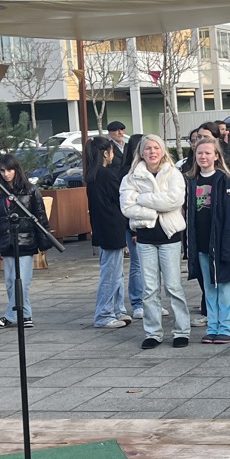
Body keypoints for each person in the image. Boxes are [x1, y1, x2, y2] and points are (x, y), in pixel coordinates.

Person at [120, 133, 191, 349]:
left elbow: (174, 200)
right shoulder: (131, 178)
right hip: (144, 238)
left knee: (173, 286)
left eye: (156, 147)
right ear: (141, 152)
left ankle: (181, 330)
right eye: (148, 148)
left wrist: (142, 198)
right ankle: (153, 332)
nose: (152, 152)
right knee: (149, 288)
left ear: (162, 151)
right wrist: (153, 212)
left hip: (169, 237)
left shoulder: (174, 174)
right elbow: (127, 207)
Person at [186, 135, 230, 345]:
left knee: (224, 287)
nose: (203, 156)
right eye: (199, 153)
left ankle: (227, 327)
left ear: (216, 156)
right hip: (202, 245)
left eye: (207, 153)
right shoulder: (191, 180)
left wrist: (227, 247)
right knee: (209, 288)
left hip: (222, 245)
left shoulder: (224, 180)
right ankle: (212, 326)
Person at [0, 153, 50, 329]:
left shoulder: (31, 190)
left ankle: (10, 316)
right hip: (6, 242)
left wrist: (44, 243)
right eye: (2, 170)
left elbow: (41, 217)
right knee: (10, 282)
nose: (6, 174)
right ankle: (26, 315)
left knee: (21, 281)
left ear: (17, 169)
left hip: (26, 241)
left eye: (10, 170)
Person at [86, 136, 130, 329]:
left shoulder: (93, 175)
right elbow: (120, 198)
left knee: (116, 273)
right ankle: (104, 314)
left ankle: (117, 309)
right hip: (112, 227)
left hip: (104, 228)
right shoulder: (106, 175)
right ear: (106, 153)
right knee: (111, 273)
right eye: (112, 151)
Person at [124, 132, 146, 319]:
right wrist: (133, 229)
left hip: (153, 225)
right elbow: (127, 205)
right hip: (134, 225)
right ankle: (138, 301)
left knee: (153, 266)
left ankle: (149, 300)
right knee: (137, 264)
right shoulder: (128, 174)